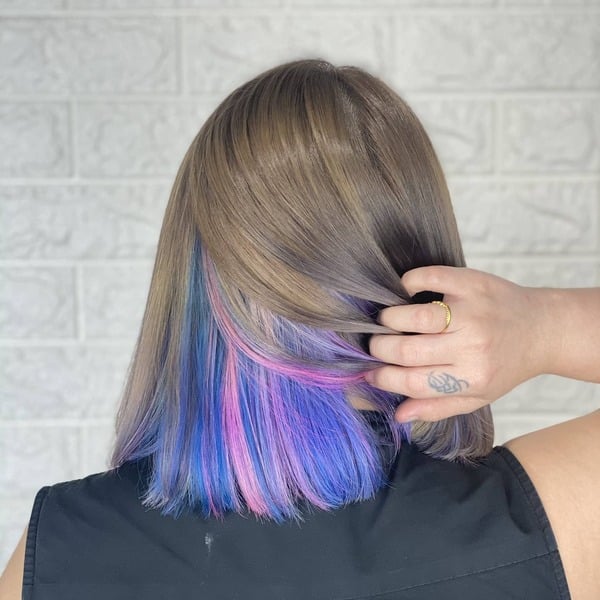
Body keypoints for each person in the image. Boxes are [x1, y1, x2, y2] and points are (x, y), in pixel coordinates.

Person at [1, 58, 598, 599]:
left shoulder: (60, 550)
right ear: (418, 264)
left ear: (195, 287)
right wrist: (545, 325)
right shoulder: (543, 523)